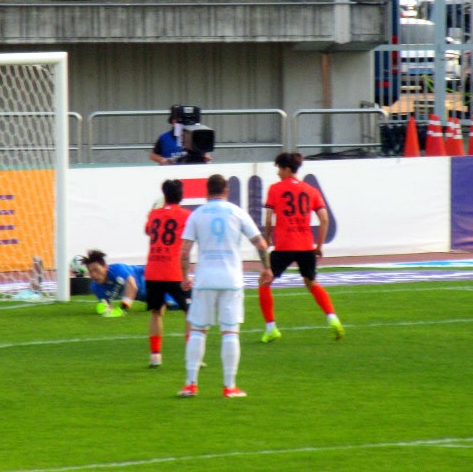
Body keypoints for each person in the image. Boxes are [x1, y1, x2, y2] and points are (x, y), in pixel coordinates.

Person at [177, 174, 272, 398]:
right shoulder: (237, 212)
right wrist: (266, 268)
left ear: (206, 191)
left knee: (198, 330)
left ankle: (191, 384)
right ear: (226, 191)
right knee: (230, 332)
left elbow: (184, 251)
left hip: (205, 279)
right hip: (231, 279)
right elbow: (260, 242)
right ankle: (229, 386)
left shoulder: (197, 214)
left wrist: (184, 276)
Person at [258, 152, 344, 343]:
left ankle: (271, 328)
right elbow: (324, 219)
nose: (278, 173)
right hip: (306, 245)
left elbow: (268, 218)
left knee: (264, 281)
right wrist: (319, 246)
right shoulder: (310, 190)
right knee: (312, 284)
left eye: (280, 169)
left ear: (287, 169)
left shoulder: (275, 189)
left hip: (285, 245)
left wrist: (268, 238)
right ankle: (333, 318)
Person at [145, 179, 192, 368]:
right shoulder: (186, 215)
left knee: (156, 312)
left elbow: (148, 231)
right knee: (191, 312)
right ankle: (192, 354)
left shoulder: (154, 214)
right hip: (173, 271)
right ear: (181, 196)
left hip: (153, 269)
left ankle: (155, 356)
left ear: (164, 196)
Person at [83, 249, 147, 316]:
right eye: (90, 271)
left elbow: (132, 286)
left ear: (105, 267)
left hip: (154, 281)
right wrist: (106, 310)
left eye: (96, 270)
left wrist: (122, 310)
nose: (93, 275)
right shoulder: (96, 287)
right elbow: (106, 306)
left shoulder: (117, 269)